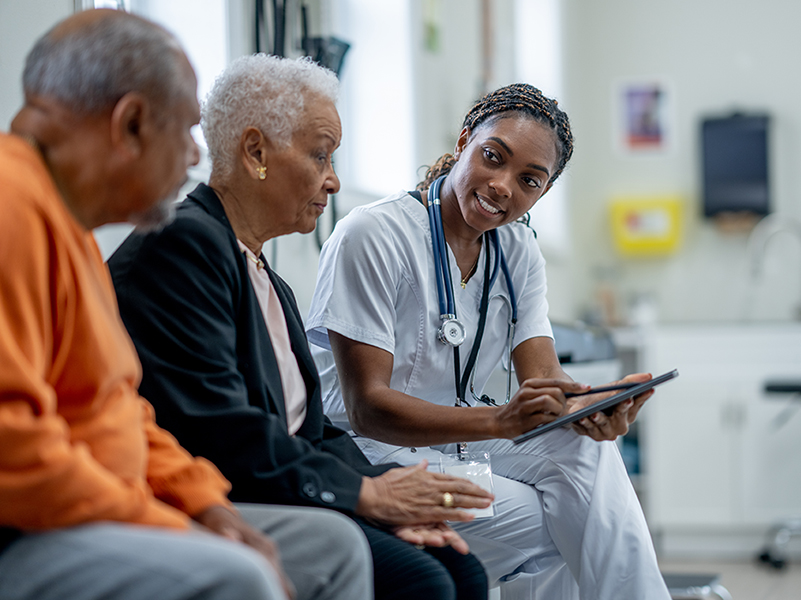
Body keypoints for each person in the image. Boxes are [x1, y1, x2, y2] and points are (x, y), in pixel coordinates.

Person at [0, 10, 374, 600]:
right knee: (239, 573)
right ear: (131, 125)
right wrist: (168, 519)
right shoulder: (11, 209)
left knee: (333, 546)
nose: (195, 157)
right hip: (25, 526)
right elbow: (13, 451)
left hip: (99, 502)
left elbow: (118, 414)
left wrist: (201, 501)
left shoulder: (69, 230)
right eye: (185, 131)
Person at [108, 53, 493, 600]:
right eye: (320, 155)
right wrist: (363, 496)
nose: (333, 180)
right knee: (423, 581)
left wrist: (387, 492)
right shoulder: (184, 245)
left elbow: (311, 430)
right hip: (231, 493)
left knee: (462, 569)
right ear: (256, 152)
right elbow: (220, 428)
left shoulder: (265, 274)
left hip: (281, 483)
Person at [306, 83, 672, 600]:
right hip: (370, 451)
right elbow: (367, 409)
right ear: (464, 142)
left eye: (529, 180)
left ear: (542, 193)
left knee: (583, 452)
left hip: (462, 438)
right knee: (575, 518)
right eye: (493, 157)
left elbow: (544, 380)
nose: (503, 186)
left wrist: (587, 406)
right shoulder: (373, 233)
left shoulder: (517, 249)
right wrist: (500, 419)